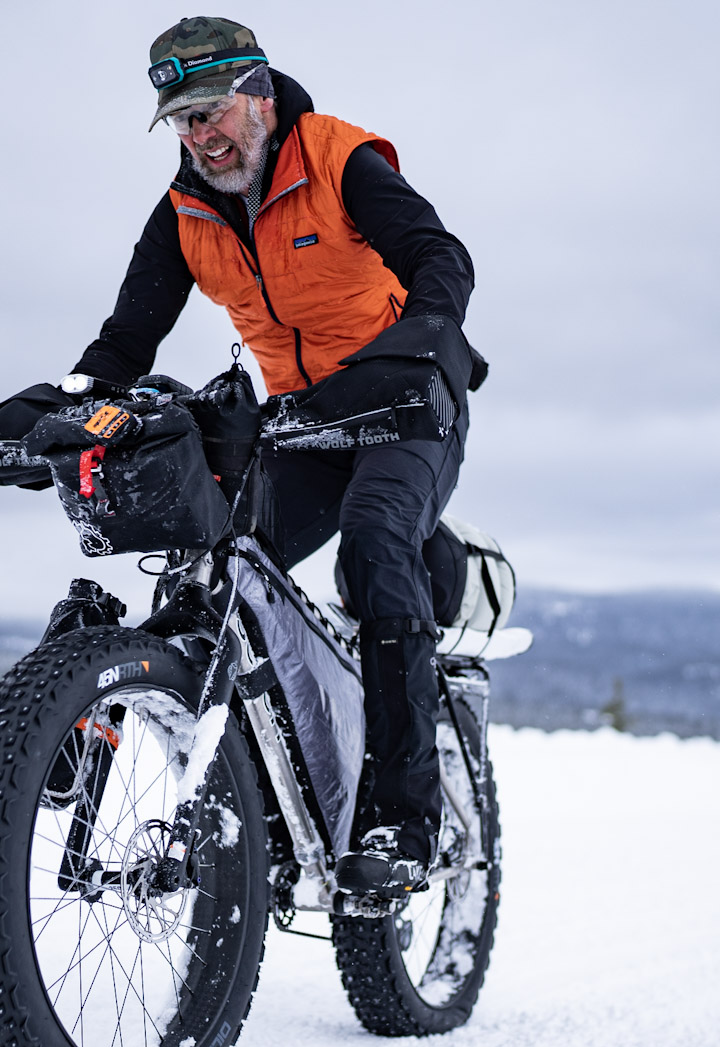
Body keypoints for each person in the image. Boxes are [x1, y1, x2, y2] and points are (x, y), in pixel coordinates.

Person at [69, 17, 482, 897]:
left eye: (211, 112)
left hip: (405, 406)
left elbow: (439, 256)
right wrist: (73, 403)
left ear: (258, 95)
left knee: (375, 542)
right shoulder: (186, 209)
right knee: (209, 565)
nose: (200, 136)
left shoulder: (340, 162)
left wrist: (425, 339)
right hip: (300, 424)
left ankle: (400, 817)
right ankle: (226, 785)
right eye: (182, 122)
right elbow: (128, 335)